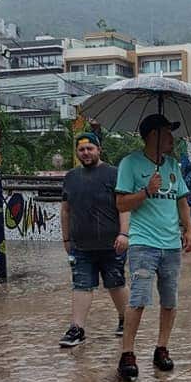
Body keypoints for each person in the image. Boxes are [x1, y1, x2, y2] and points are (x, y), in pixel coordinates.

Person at [115, 114, 191, 381]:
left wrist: (190, 230)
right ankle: (127, 353)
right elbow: (121, 204)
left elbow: (182, 200)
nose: (172, 138)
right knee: (138, 299)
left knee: (170, 300)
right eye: (168, 132)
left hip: (171, 245)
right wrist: (147, 191)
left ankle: (161, 348)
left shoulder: (173, 165)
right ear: (153, 135)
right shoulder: (130, 164)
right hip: (143, 244)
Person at [58, 132, 130, 347]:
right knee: (81, 285)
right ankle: (77, 328)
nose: (86, 153)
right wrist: (66, 239)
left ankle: (126, 320)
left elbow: (123, 207)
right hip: (81, 245)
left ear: (99, 149)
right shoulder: (71, 177)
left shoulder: (114, 174)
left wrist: (124, 233)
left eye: (90, 148)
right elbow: (65, 210)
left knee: (115, 283)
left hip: (112, 244)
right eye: (81, 149)